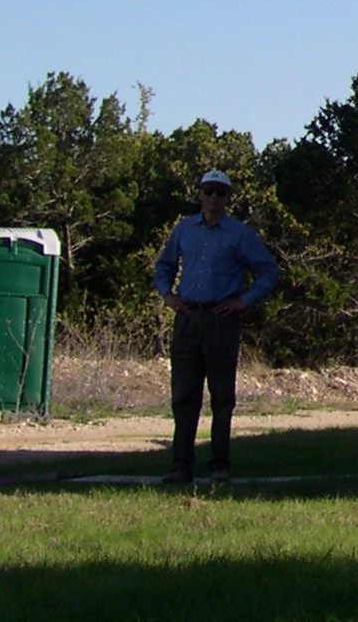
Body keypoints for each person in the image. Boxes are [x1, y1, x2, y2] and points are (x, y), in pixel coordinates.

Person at [152, 169, 279, 485]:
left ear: (228, 198)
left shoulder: (239, 234)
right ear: (199, 194)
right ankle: (181, 465)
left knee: (222, 396)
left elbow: (268, 272)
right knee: (184, 395)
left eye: (221, 193)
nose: (214, 197)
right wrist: (167, 295)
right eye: (209, 191)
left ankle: (219, 465)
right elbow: (164, 264)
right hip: (187, 316)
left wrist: (244, 301)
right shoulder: (184, 229)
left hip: (221, 320)